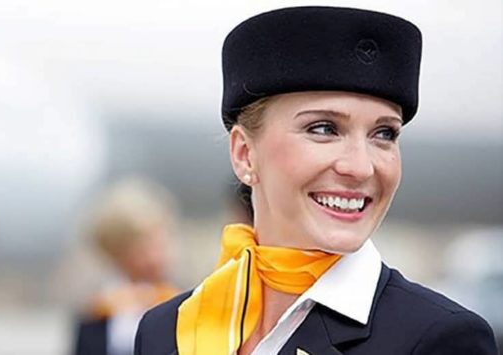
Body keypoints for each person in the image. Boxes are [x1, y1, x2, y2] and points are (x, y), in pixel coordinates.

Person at [134, 6, 499, 355]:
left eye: (384, 134)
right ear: (245, 154)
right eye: (324, 128)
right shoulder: (166, 329)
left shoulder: (438, 339)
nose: (361, 167)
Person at [73, 178, 179, 355]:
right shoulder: (97, 314)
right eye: (143, 247)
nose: (154, 256)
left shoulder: (182, 305)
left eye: (160, 244)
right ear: (117, 251)